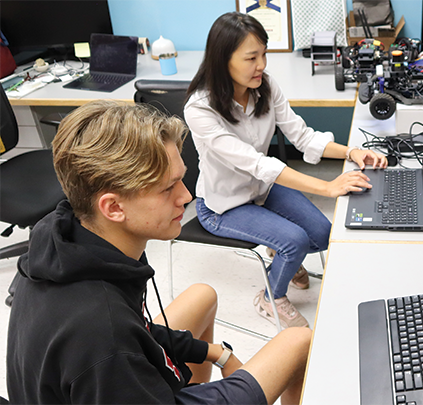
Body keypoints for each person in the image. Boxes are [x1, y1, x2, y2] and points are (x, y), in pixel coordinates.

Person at [6, 100, 311, 405]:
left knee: (202, 295)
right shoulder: (104, 335)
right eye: (168, 189)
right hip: (117, 379)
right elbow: (119, 338)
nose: (186, 197)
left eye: (182, 179)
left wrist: (217, 353)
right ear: (113, 207)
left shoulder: (70, 235)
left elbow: (138, 329)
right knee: (299, 341)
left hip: (114, 380)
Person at [184, 12, 388, 328]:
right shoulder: (200, 109)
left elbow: (303, 136)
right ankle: (270, 296)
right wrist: (328, 187)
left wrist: (352, 151)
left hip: (262, 190)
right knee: (295, 241)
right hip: (224, 206)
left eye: (263, 55)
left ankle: (282, 255)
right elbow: (257, 163)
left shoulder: (264, 86)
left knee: (321, 235)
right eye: (251, 57)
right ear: (223, 60)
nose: (262, 65)